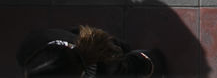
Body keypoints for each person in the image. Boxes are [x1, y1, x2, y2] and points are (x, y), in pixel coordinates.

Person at [16, 26, 164, 76]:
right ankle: (132, 58)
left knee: (112, 64)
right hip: (64, 43)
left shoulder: (101, 64)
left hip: (92, 57)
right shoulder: (29, 49)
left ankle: (134, 61)